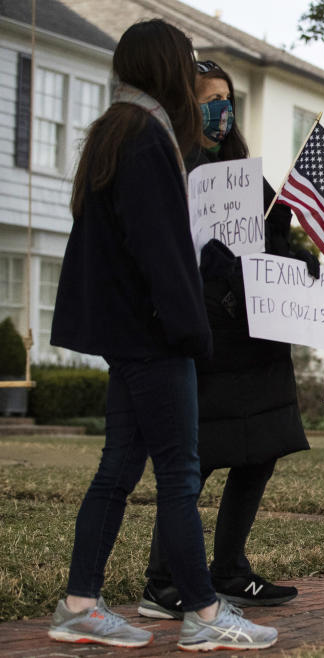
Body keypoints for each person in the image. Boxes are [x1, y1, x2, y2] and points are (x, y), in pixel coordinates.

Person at [47, 20, 276, 651]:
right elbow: (161, 251)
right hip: (155, 337)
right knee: (179, 473)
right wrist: (190, 331)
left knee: (117, 469)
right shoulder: (147, 137)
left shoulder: (115, 129)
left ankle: (80, 604)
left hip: (130, 335)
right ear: (162, 66)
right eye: (186, 61)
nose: (191, 71)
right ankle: (203, 616)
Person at [138, 59, 316, 621]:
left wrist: (294, 257)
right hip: (206, 335)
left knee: (258, 457)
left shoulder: (240, 166)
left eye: (226, 99)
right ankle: (162, 582)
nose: (220, 111)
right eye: (207, 100)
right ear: (183, 106)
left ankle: (231, 570)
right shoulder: (170, 163)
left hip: (258, 334)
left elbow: (269, 232)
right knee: (198, 463)